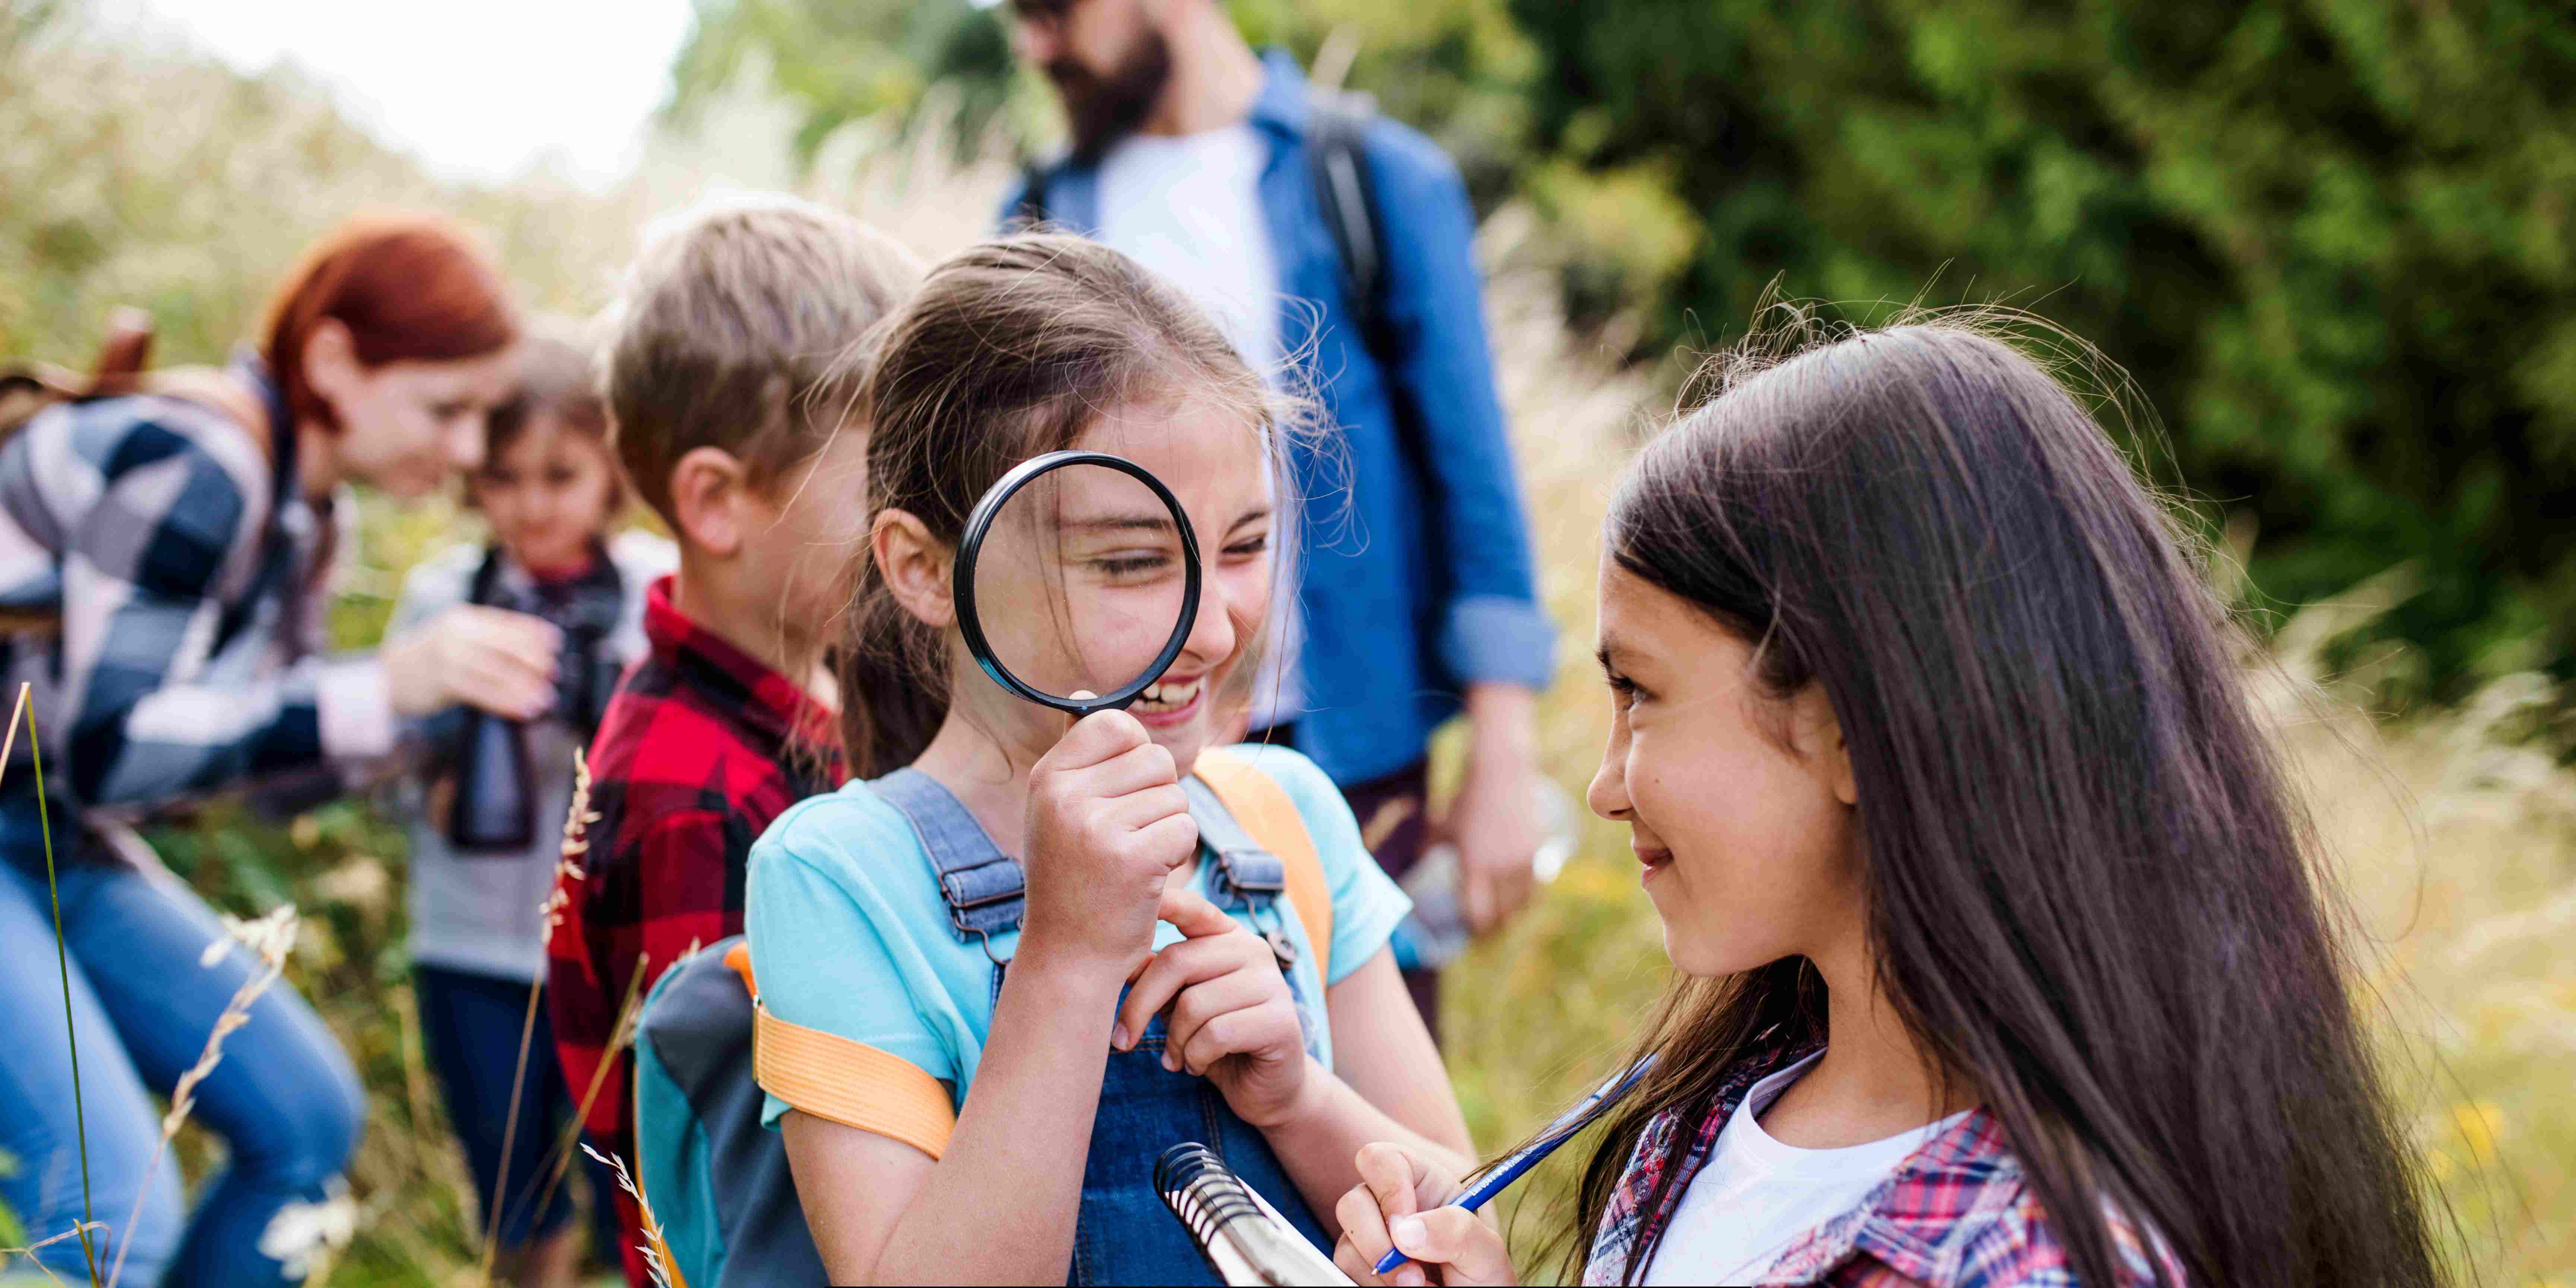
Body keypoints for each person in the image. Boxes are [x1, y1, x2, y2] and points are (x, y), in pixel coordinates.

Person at [1329, 319, 2441, 1287]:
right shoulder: (1704, 1123)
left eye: (1641, 693)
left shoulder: (2031, 1259)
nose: (1604, 782)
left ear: (1856, 729)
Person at [746, 234, 1472, 1285]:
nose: (1216, 630)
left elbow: (1464, 1216)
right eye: (1131, 563)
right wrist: (1067, 962)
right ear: (921, 568)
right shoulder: (839, 878)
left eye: (1245, 547)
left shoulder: (1285, 818)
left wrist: (1298, 1098)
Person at [0, 214, 558, 1286]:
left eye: (483, 416)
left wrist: (425, 726)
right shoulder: (203, 459)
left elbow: (248, 776)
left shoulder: (312, 517)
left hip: (56, 838)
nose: (468, 453)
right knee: (112, 1217)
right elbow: (109, 751)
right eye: (446, 409)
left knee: (305, 1121)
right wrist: (380, 686)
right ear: (336, 360)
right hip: (29, 812)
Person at [1002, 0, 1556, 1035]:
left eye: (1050, 12)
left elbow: (1473, 476)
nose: (1034, 46)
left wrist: (1503, 757)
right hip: (1129, 747)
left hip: (1359, 753)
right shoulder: (1041, 212)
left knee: (1369, 1087)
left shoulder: (1375, 181)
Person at [544, 193, 920, 1287]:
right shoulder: (692, 804)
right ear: (717, 501)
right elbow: (736, 1182)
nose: (924, 521)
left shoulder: (814, 702)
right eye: (886, 480)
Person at [388, 329, 673, 1287]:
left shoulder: (649, 594)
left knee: (634, 1194)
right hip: (471, 945)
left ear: (610, 473)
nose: (534, 506)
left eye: (562, 476)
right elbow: (383, 765)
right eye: (506, 479)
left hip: (613, 950)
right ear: (475, 482)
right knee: (513, 1189)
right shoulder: (445, 600)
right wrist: (433, 777)